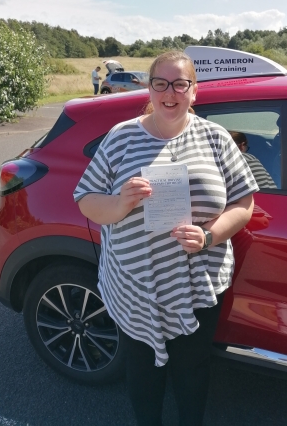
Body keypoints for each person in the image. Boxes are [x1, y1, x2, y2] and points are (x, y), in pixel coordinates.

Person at [74, 51, 258, 426]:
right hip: (135, 284)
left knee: (192, 370)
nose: (169, 93)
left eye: (180, 84)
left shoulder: (215, 138)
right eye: (161, 83)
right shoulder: (121, 137)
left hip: (198, 286)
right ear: (150, 86)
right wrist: (121, 202)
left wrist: (208, 236)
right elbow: (86, 201)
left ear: (194, 91)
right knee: (143, 373)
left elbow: (244, 202)